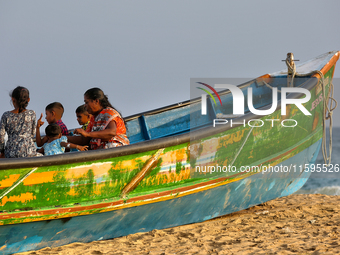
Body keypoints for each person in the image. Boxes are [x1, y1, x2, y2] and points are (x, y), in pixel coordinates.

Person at [0, 86, 41, 158]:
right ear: (28, 100)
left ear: (13, 99)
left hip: (10, 153)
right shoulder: (32, 113)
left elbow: (1, 137)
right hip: (29, 151)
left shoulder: (6, 115)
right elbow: (32, 134)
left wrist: (2, 152)